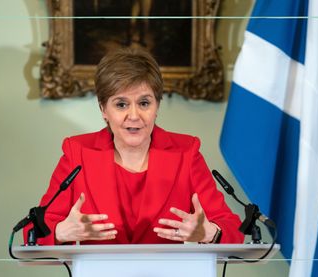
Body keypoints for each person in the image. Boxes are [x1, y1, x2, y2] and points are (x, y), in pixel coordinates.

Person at [24, 48, 244, 245]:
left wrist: (209, 233)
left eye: (144, 103)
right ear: (103, 109)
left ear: (157, 106)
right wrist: (61, 232)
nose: (134, 116)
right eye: (121, 104)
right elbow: (32, 231)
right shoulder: (77, 153)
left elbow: (232, 228)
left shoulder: (186, 152)